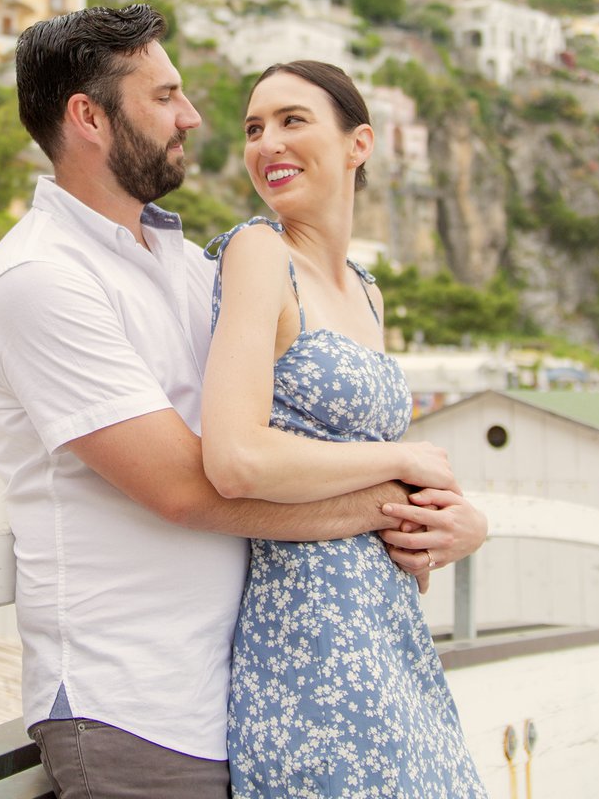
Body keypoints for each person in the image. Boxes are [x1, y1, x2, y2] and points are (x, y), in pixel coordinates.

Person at [0, 6, 485, 798]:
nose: (193, 117)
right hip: (136, 704)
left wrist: (448, 515)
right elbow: (188, 486)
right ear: (90, 117)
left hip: (237, 687)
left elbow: (285, 429)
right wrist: (397, 500)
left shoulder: (179, 265)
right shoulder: (43, 279)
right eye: (166, 96)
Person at [204, 61, 488, 796]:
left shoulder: (369, 293)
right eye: (254, 128)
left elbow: (376, 473)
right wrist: (402, 459)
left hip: (391, 629)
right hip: (311, 640)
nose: (268, 142)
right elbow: (235, 457)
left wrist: (457, 525)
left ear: (359, 143)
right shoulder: (259, 252)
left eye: (293, 120)